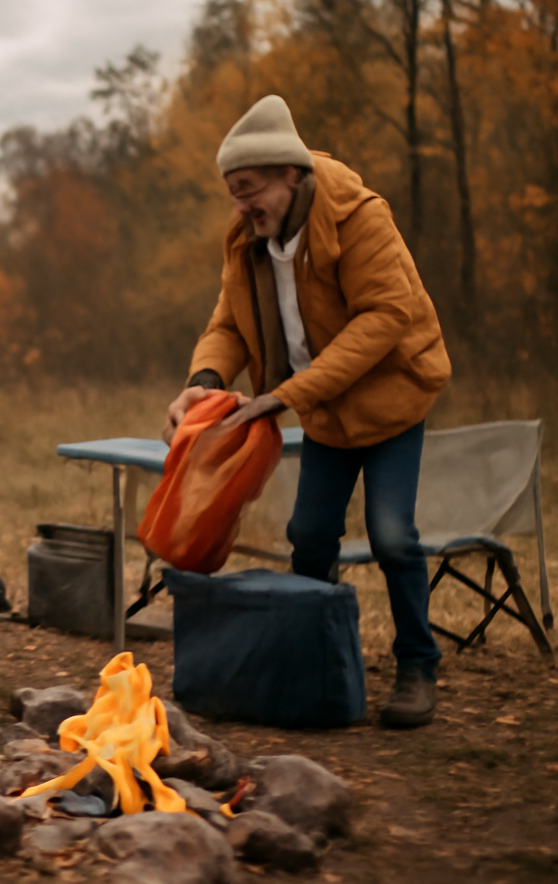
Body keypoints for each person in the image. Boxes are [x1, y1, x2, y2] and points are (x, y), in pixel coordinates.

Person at [165, 96, 452, 728]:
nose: (242, 205)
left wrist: (285, 396)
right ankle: (312, 658)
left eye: (249, 189)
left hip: (391, 404)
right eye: (234, 194)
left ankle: (417, 665)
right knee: (310, 536)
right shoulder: (248, 241)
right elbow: (228, 326)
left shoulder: (359, 218)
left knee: (392, 534)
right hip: (325, 414)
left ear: (289, 174)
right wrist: (205, 380)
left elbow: (386, 317)